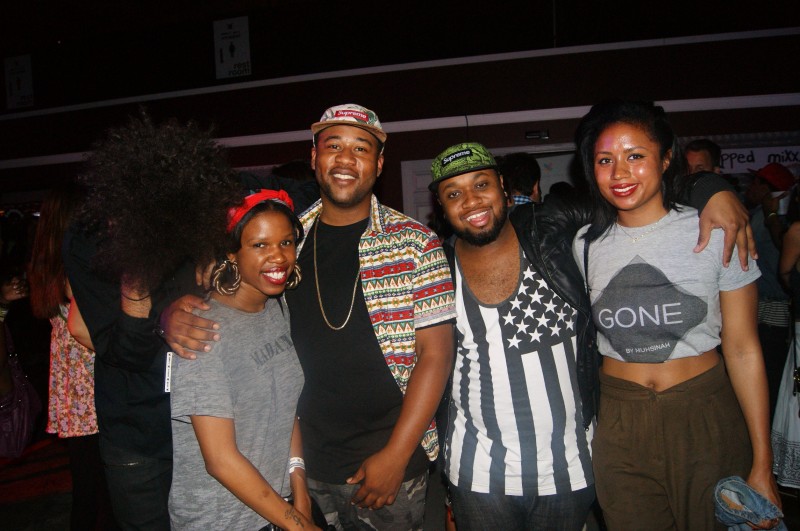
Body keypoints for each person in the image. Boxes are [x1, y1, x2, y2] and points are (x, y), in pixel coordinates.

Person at [427, 139, 759, 531]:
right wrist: (449, 489)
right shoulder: (436, 270)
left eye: (481, 184)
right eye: (454, 194)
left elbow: (632, 192)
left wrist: (710, 189)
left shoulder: (552, 226)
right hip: (477, 473)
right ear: (442, 207)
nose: (471, 201)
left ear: (502, 185)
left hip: (570, 468)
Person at [161, 103, 456, 531]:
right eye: (334, 146)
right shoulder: (287, 238)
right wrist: (172, 310)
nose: (346, 159)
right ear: (315, 157)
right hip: (301, 464)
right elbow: (228, 287)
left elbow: (437, 355)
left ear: (378, 164)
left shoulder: (416, 244)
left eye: (361, 148)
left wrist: (396, 455)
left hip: (388, 459)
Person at [573, 100, 781, 530]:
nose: (620, 173)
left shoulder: (717, 229)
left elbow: (743, 349)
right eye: (605, 160)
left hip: (703, 414)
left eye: (635, 156)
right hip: (620, 423)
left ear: (666, 158)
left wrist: (763, 463)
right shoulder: (585, 245)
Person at [63, 110, 242, 530]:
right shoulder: (89, 240)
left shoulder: (196, 226)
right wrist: (137, 279)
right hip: (138, 436)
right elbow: (124, 351)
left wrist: (214, 263)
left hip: (206, 425)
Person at [169, 189, 320, 530]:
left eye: (286, 242)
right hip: (221, 519)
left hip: (276, 508)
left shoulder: (276, 308)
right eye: (260, 245)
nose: (278, 256)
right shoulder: (202, 330)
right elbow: (220, 460)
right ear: (232, 253)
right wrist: (299, 525)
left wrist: (300, 492)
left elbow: (286, 408)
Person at [27, 178, 116, 530]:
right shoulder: (76, 265)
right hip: (90, 388)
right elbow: (82, 329)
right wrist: (123, 354)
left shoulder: (48, 264)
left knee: (87, 488)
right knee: (105, 492)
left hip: (72, 390)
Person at [745, 162, 796, 419]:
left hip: (773, 309)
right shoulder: (760, 215)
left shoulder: (777, 222)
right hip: (763, 307)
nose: (750, 187)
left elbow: (782, 267)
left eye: (756, 182)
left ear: (769, 189)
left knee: (771, 375)